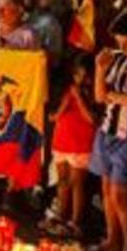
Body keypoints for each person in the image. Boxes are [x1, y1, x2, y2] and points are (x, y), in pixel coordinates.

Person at [90, 12, 127, 251]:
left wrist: (113, 96)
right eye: (119, 42)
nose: (122, 47)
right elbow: (99, 96)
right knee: (106, 189)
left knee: (121, 193)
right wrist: (99, 70)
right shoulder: (116, 60)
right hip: (107, 130)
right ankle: (111, 239)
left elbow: (112, 97)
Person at [48, 55, 95, 235]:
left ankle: (75, 222)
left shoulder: (93, 94)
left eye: (85, 76)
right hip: (62, 141)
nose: (81, 80)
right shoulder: (64, 90)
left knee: (77, 184)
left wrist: (79, 98)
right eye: (77, 75)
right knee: (63, 181)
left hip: (80, 144)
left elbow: (92, 119)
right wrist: (66, 102)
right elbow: (53, 117)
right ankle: (61, 215)